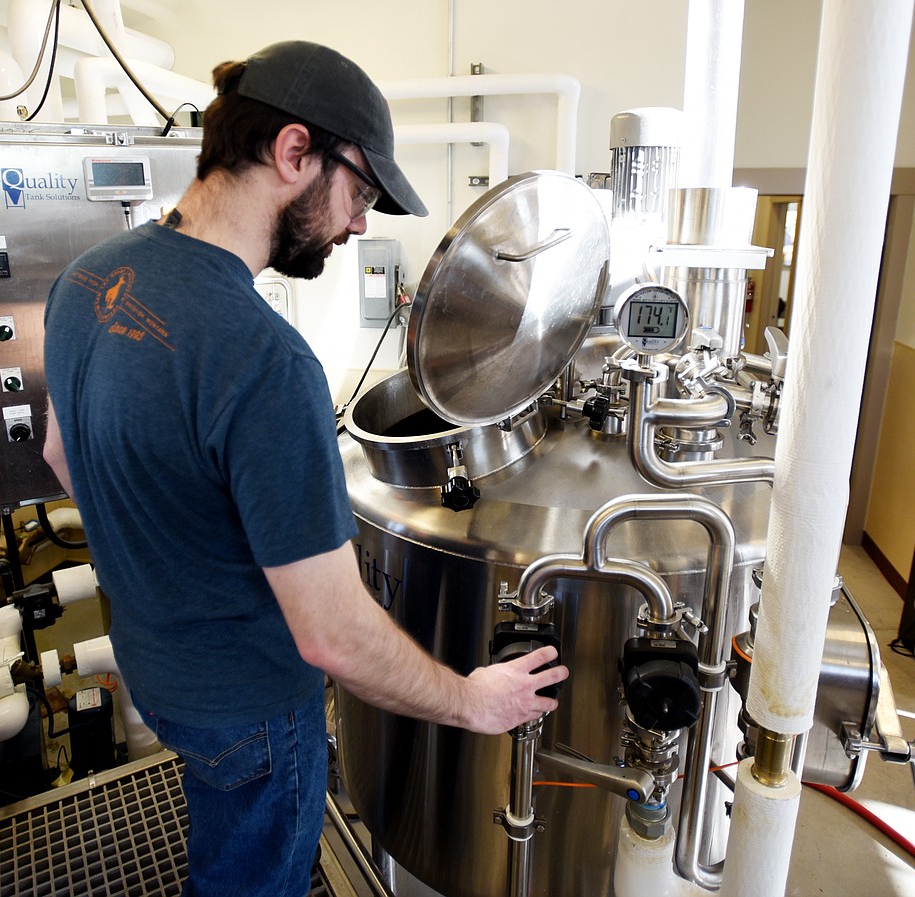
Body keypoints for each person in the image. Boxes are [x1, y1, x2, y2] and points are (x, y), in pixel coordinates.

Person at [42, 39, 569, 897]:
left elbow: (62, 456)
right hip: (251, 708)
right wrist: (476, 702)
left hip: (155, 669)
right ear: (294, 152)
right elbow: (329, 633)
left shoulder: (86, 280)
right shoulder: (266, 361)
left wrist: (174, 561)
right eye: (360, 190)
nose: (361, 222)